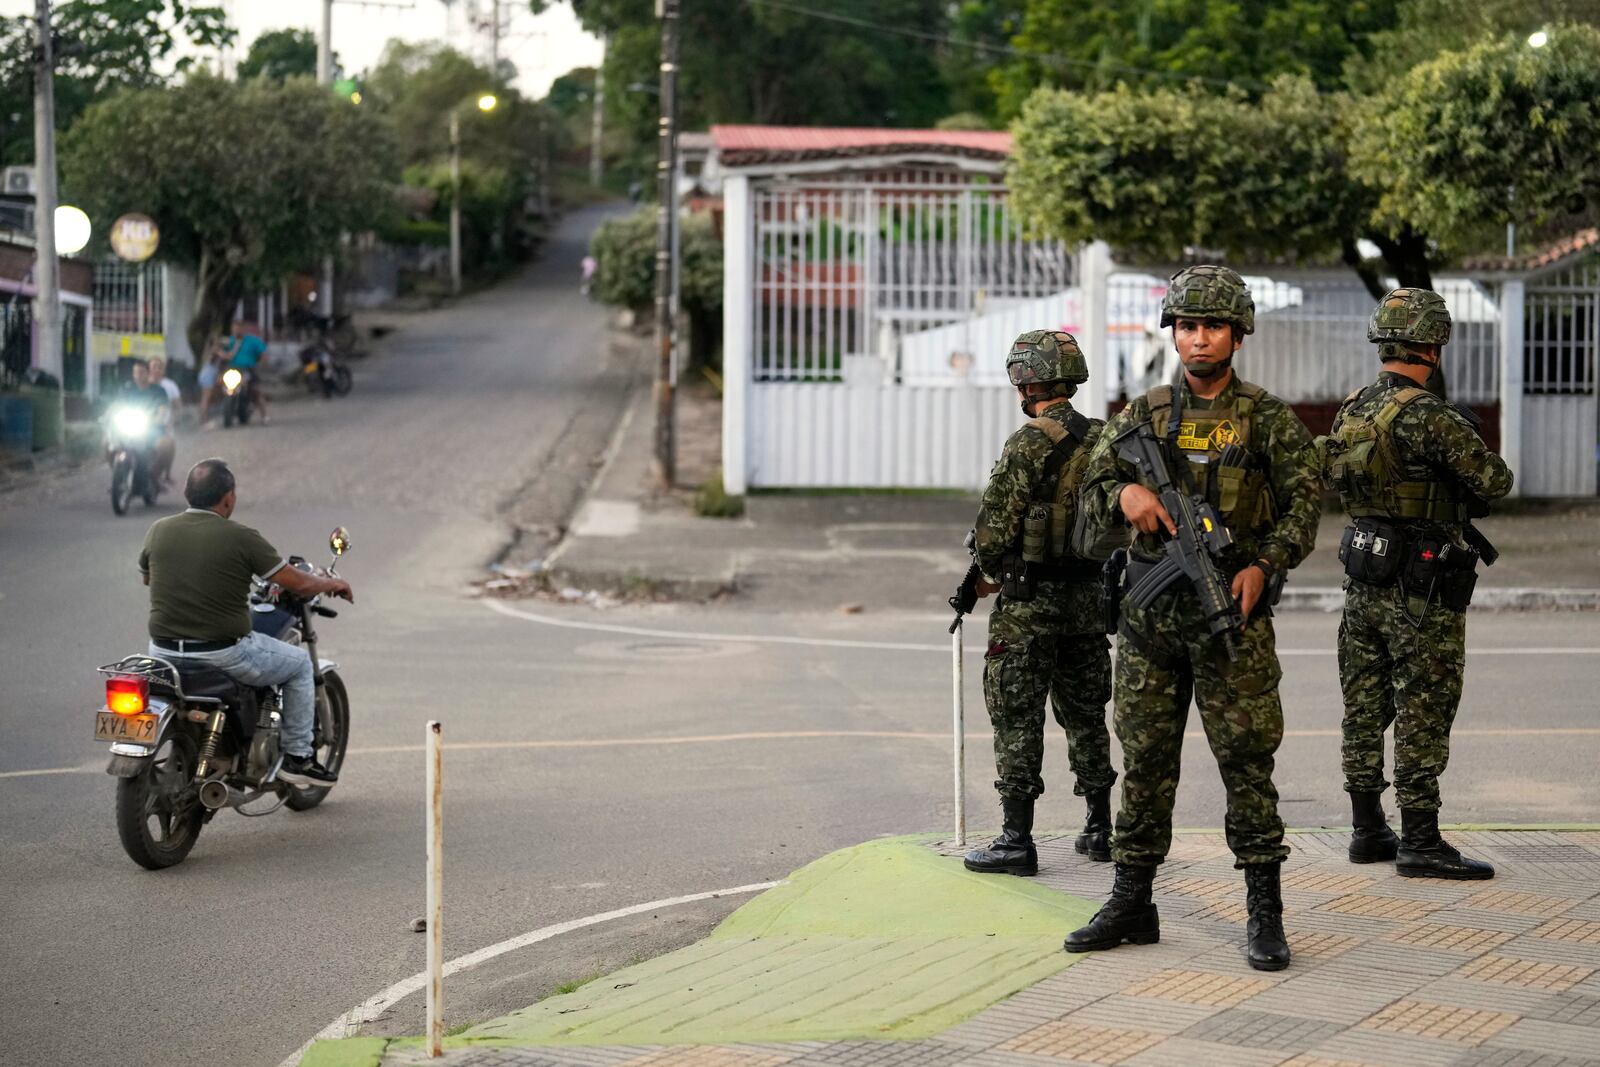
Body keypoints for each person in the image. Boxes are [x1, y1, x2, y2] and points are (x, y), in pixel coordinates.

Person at [1065, 265, 1320, 972]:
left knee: (1246, 762)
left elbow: (1305, 503)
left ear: (1237, 333)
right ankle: (1132, 899)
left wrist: (1264, 565)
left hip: (1229, 622)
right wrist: (1127, 501)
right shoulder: (1141, 415)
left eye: (1211, 325)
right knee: (1145, 761)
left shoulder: (1267, 418)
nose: (1197, 337)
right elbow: (1089, 491)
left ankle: (1263, 909)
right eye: (1185, 325)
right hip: (1151, 627)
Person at [1321, 288, 1513, 879]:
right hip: (1420, 587)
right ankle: (1421, 840)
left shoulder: (1352, 407)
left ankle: (1366, 829)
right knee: (1422, 708)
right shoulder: (1431, 416)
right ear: (1433, 345)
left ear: (1383, 342)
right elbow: (1496, 480)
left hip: (1364, 577)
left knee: (1363, 704)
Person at [963, 330, 1124, 877]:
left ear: (1027, 380)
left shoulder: (1028, 442)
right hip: (1087, 601)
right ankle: (1101, 829)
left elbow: (993, 533)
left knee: (1017, 718)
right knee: (1086, 715)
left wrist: (984, 575)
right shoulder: (1104, 437)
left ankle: (1016, 840)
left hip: (1029, 605)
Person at [139, 459, 353, 784]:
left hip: (162, 652)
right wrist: (333, 583)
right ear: (228, 499)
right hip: (220, 654)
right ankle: (298, 757)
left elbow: (149, 578)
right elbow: (301, 583)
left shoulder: (159, 530)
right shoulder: (240, 537)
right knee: (298, 666)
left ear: (186, 493)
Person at [119, 360, 176, 487]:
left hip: (152, 429)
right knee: (107, 443)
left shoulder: (158, 390)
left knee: (166, 445)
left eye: (141, 372)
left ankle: (154, 476)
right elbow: (116, 406)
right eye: (135, 373)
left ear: (147, 373)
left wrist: (159, 418)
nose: (138, 376)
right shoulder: (127, 389)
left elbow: (163, 408)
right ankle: (118, 477)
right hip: (128, 428)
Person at [222, 321, 269, 424]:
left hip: (248, 369)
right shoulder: (231, 341)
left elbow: (264, 353)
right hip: (233, 369)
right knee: (223, 384)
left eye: (238, 328)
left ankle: (264, 416)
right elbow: (224, 353)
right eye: (234, 328)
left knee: (256, 391)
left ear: (243, 329)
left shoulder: (252, 340)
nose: (236, 330)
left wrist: (261, 364)